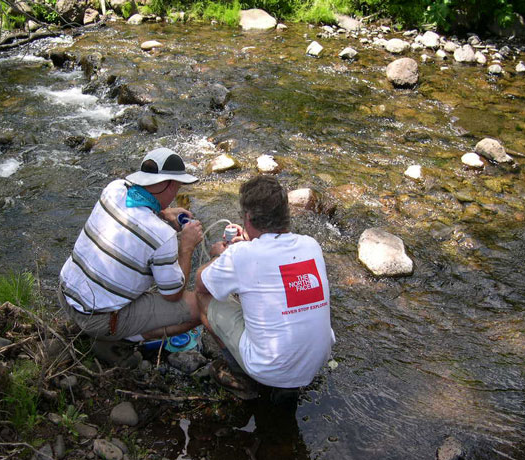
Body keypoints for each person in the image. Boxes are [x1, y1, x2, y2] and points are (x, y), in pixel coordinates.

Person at [58, 147, 204, 363]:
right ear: (172, 184)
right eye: (178, 186)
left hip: (65, 295)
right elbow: (172, 295)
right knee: (198, 306)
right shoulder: (163, 236)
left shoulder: (113, 188)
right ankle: (118, 341)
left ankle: (100, 329)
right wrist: (186, 247)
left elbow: (137, 206)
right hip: (97, 320)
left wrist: (163, 212)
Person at [195, 175, 335, 399]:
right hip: (315, 363)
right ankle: (285, 382)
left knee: (202, 299)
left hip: (270, 369)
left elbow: (201, 284)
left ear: (248, 218)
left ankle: (242, 374)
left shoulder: (241, 255)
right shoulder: (311, 245)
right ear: (285, 214)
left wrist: (220, 255)